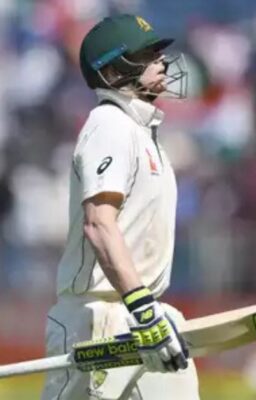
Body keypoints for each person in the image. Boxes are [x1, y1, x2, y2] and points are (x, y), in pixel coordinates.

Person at [41, 14, 200, 399]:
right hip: (97, 318)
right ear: (112, 71)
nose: (161, 62)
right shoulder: (108, 124)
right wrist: (142, 308)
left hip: (142, 311)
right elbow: (98, 224)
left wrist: (147, 310)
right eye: (146, 55)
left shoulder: (142, 132)